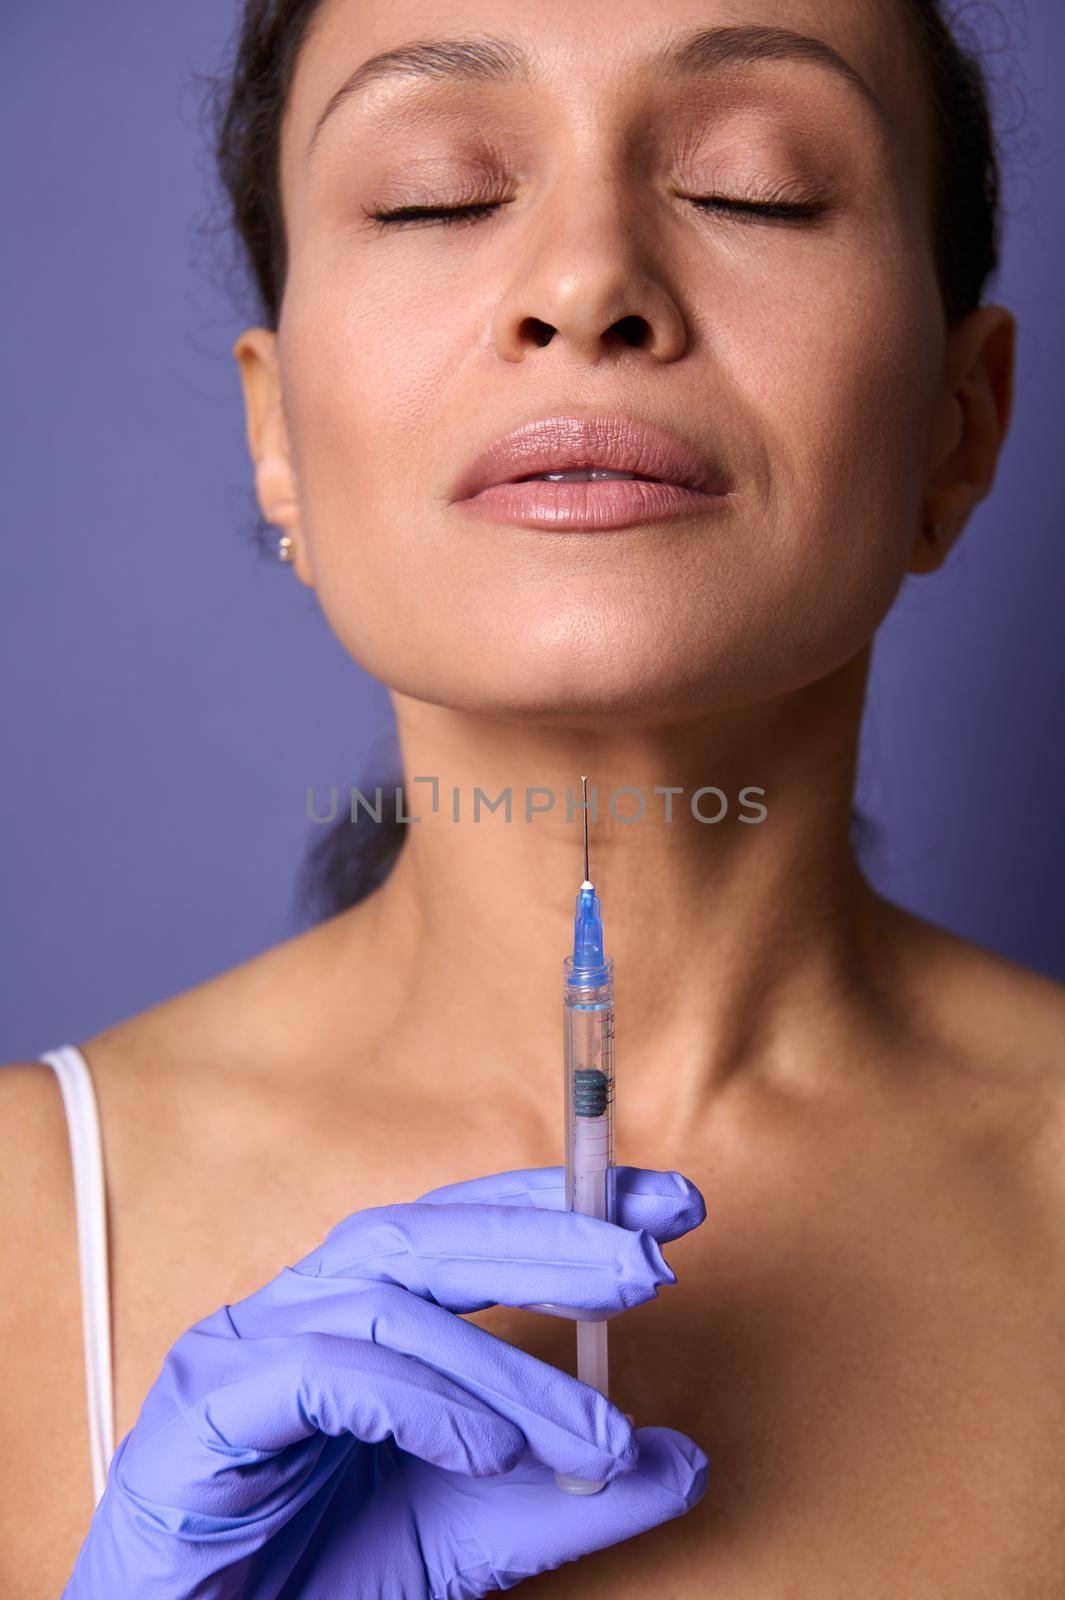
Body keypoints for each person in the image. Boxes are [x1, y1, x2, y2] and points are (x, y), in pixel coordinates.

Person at [5, 0, 1065, 1593]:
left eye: (753, 186)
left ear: (955, 429)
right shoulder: (23, 1231)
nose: (584, 285)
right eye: (435, 193)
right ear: (276, 433)